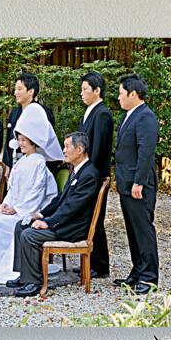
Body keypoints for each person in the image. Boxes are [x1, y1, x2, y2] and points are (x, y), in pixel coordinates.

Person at [0, 112, 58, 285]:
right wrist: (6, 203)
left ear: (33, 141)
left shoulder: (39, 163)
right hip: (15, 208)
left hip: (27, 212)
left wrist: (17, 209)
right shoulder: (22, 161)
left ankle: (2, 266)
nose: (21, 143)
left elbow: (36, 194)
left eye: (24, 140)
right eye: (20, 139)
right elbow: (13, 189)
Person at [11, 132, 102, 298]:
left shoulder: (89, 174)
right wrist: (39, 214)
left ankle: (34, 283)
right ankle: (25, 276)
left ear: (80, 149)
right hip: (65, 222)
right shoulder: (77, 170)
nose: (64, 151)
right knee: (21, 224)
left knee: (29, 235)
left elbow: (72, 208)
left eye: (67, 146)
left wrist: (49, 222)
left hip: (73, 228)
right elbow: (60, 200)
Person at [113, 74, 159, 294]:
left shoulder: (145, 117)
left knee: (143, 229)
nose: (118, 97)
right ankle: (138, 271)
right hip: (126, 183)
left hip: (138, 184)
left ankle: (149, 277)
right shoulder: (128, 116)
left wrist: (139, 182)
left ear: (133, 94)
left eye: (121, 93)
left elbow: (146, 152)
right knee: (132, 230)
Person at [78, 71, 114, 278]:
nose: (82, 94)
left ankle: (100, 265)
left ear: (97, 90)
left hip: (95, 175)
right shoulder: (90, 112)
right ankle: (90, 260)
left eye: (85, 89)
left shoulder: (102, 113)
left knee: (95, 219)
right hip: (87, 173)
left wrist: (88, 172)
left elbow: (99, 148)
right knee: (88, 217)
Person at [2, 72, 57, 169]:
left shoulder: (44, 112)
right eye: (15, 89)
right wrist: (7, 164)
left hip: (37, 164)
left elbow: (45, 141)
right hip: (15, 162)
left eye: (19, 89)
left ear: (30, 91)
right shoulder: (14, 113)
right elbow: (8, 141)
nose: (15, 93)